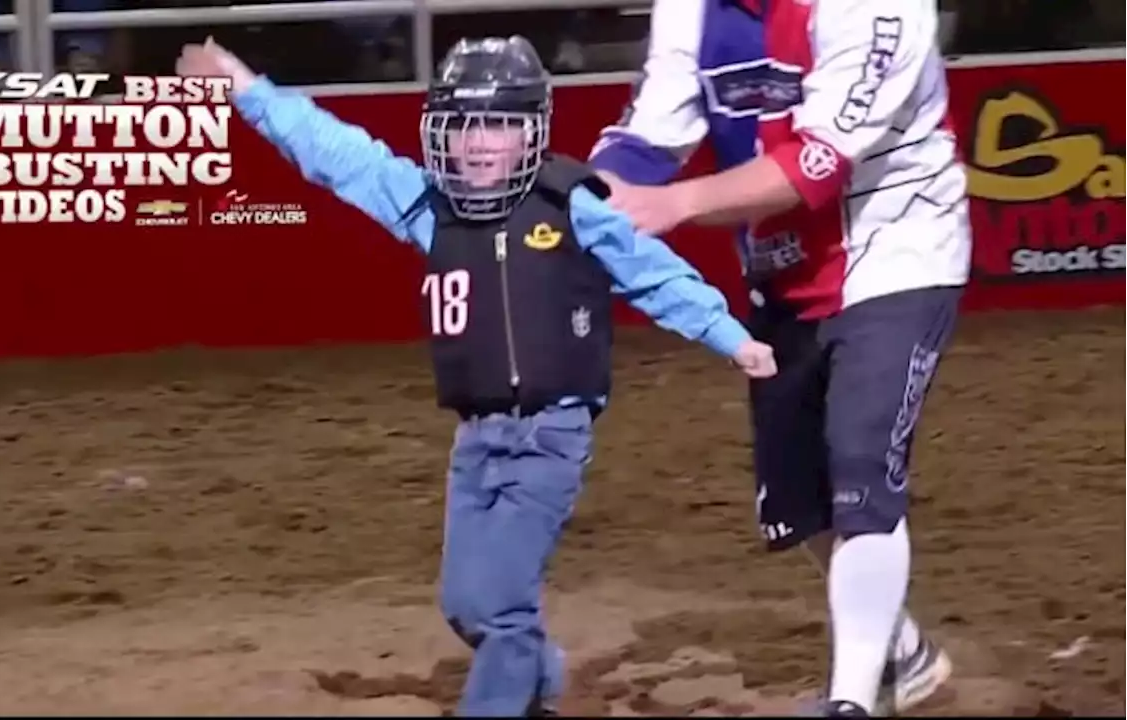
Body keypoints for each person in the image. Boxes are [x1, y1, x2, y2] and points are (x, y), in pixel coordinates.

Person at [177, 34, 776, 717]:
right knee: (467, 606)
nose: (481, 143)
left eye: (499, 125)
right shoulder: (429, 209)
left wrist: (730, 337)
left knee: (500, 602)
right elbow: (337, 154)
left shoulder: (571, 205)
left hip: (551, 436)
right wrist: (250, 91)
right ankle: (540, 683)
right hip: (476, 444)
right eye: (466, 125)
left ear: (530, 134)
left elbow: (653, 274)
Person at [588, 0, 968, 716]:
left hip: (900, 244)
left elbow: (816, 164)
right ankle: (903, 653)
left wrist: (670, 205)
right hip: (781, 266)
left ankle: (850, 701)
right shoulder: (692, 8)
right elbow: (655, 129)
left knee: (860, 467)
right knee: (800, 503)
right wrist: (585, 193)